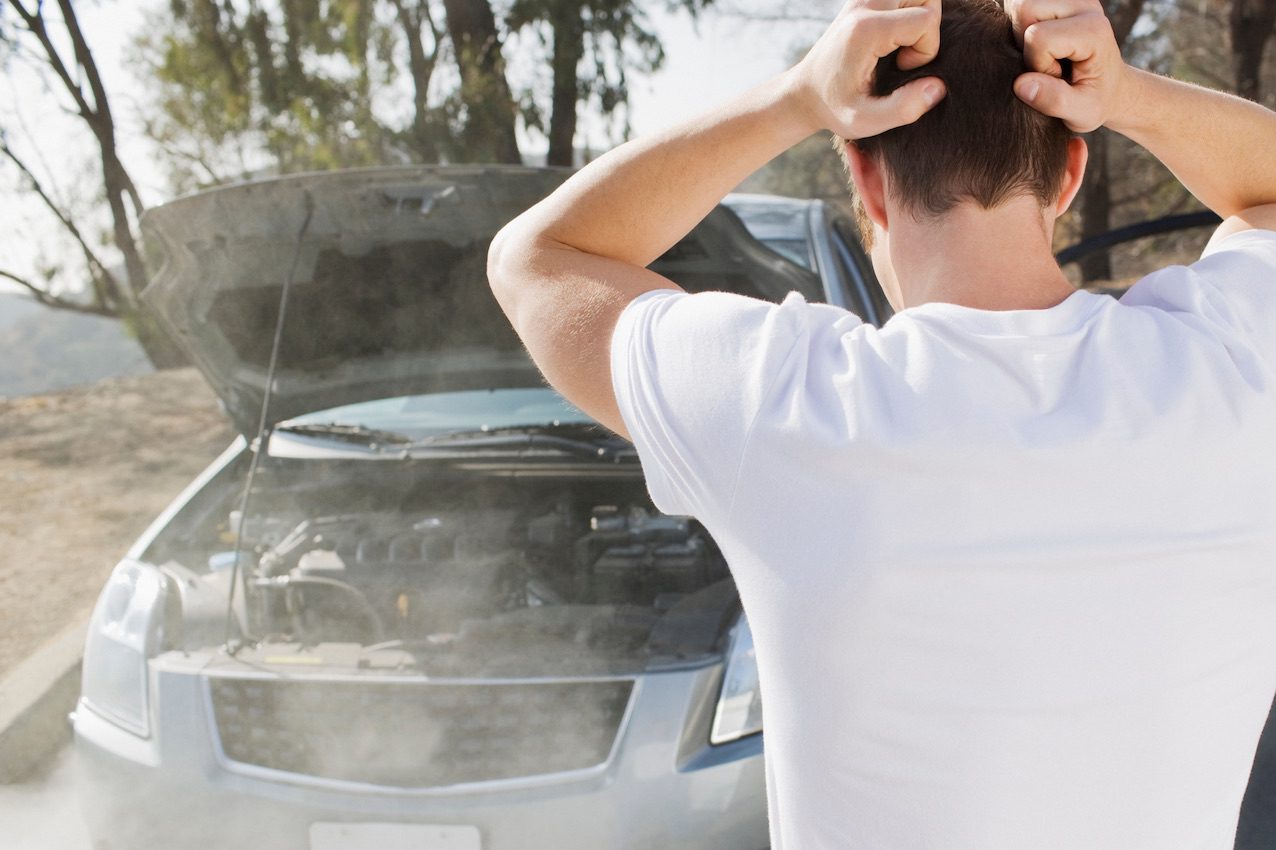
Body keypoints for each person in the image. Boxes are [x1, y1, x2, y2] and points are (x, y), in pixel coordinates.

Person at [487, 0, 1276, 844]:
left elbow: (537, 260)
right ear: (1070, 173)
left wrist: (797, 98)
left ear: (867, 181)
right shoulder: (1234, 366)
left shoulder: (789, 405)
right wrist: (1124, 92)